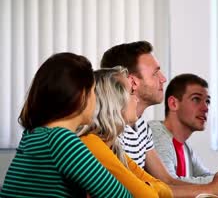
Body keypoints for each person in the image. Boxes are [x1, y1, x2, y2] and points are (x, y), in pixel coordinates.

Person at [101, 41, 218, 197]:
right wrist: (211, 188)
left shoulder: (141, 126)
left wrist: (216, 185)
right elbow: (143, 191)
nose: (163, 79)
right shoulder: (111, 130)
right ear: (133, 82)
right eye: (155, 73)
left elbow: (165, 181)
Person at [0, 53, 131, 198]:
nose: (96, 98)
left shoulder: (34, 135)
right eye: (93, 91)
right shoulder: (61, 140)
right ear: (82, 95)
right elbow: (120, 195)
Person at [78, 67, 173, 198]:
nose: (137, 99)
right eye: (131, 92)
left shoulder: (114, 147)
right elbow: (148, 196)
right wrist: (150, 187)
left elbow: (166, 190)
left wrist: (148, 187)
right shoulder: (91, 143)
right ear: (114, 101)